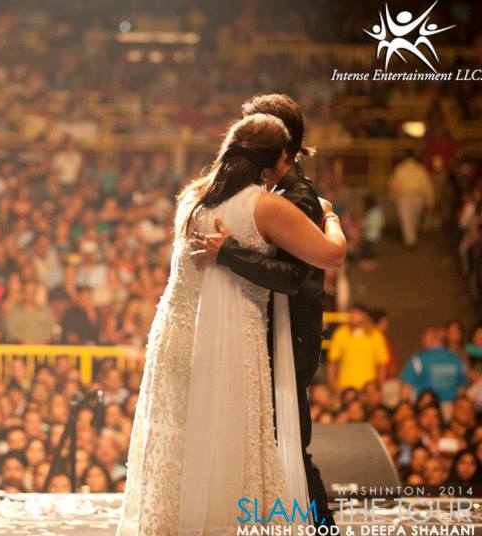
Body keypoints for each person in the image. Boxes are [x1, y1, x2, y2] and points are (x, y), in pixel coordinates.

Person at [117, 113, 345, 534]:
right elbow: (332, 255)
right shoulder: (266, 206)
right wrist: (329, 216)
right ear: (276, 159)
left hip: (176, 334)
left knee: (182, 441)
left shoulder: (193, 197)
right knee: (226, 442)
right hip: (228, 337)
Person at [188, 94, 337, 528]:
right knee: (268, 443)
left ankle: (321, 528)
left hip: (291, 339)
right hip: (268, 334)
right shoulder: (272, 191)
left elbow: (295, 276)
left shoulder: (299, 197)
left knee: (290, 444)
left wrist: (229, 254)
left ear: (282, 146)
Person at [389, 149, 434, 248]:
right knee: (415, 218)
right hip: (418, 196)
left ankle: (410, 240)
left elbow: (394, 184)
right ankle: (412, 238)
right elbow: (427, 185)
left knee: (406, 218)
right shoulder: (420, 169)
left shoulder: (399, 169)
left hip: (403, 196)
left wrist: (392, 197)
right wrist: (430, 200)